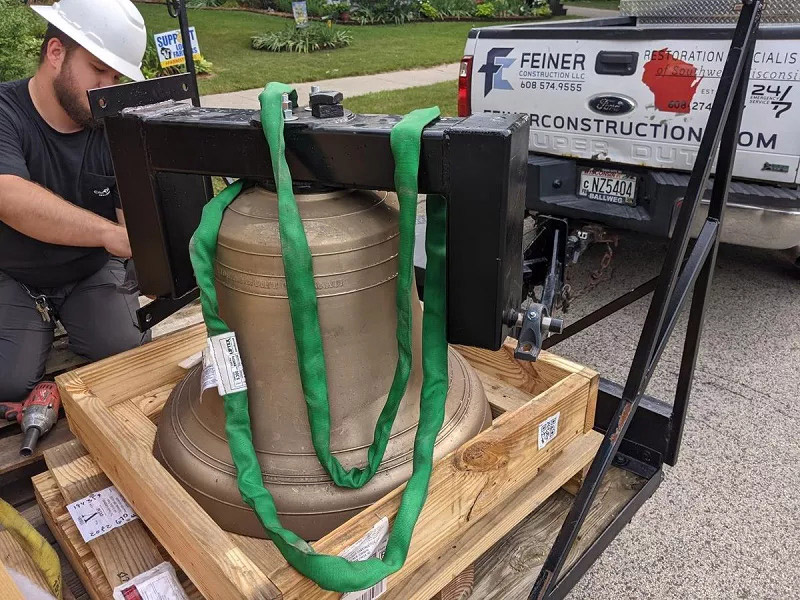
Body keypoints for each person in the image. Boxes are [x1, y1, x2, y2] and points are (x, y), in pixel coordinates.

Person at [0, 0, 149, 402]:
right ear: (55, 53)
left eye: (116, 75)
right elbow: (9, 196)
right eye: (98, 70)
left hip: (90, 272)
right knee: (8, 383)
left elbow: (132, 224)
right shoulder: (5, 112)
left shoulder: (114, 125)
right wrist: (107, 232)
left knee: (124, 352)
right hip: (15, 273)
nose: (108, 86)